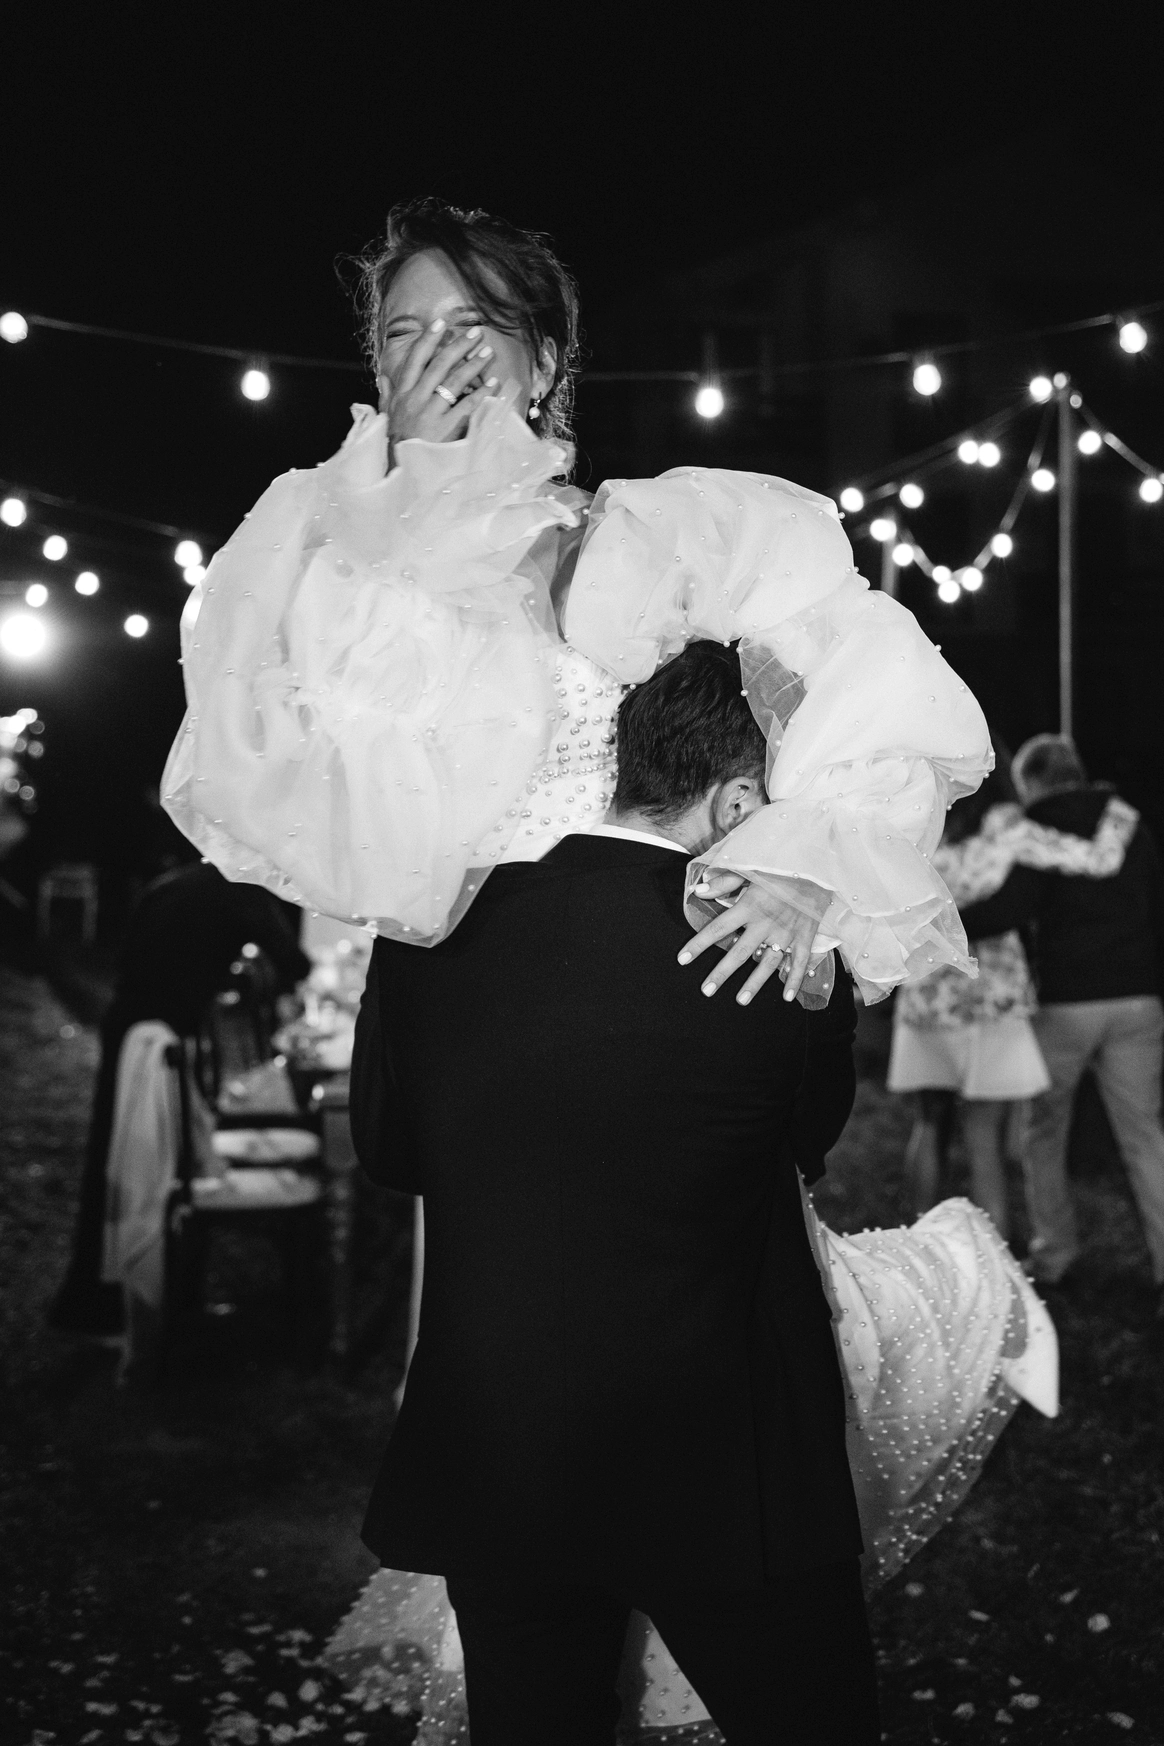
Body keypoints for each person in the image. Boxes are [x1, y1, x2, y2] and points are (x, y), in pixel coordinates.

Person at [335, 641, 1055, 1745]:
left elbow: (390, 1152)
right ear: (735, 802)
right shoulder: (774, 951)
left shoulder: (431, 930)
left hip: (500, 1452)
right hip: (725, 1460)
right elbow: (803, 1145)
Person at [49, 859, 311, 1336]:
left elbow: (149, 955)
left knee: (112, 1160)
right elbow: (294, 962)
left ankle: (104, 1297)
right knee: (139, 1162)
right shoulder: (242, 888)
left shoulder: (174, 883)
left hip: (127, 1025)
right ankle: (124, 1303)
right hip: (158, 1043)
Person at [888, 740, 1138, 1238]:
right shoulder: (1005, 825)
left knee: (930, 1125)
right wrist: (1118, 815)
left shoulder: (910, 828)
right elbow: (1098, 860)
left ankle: (918, 1252)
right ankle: (994, 1260)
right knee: (984, 1134)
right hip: (991, 994)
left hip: (927, 992)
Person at [959, 735, 1164, 1306]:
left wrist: (943, 923)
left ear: (1032, 782)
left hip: (1066, 1004)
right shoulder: (1131, 825)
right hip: (1137, 999)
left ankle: (1055, 1255)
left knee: (1044, 1131)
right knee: (1146, 1137)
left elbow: (1010, 907)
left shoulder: (1038, 829)